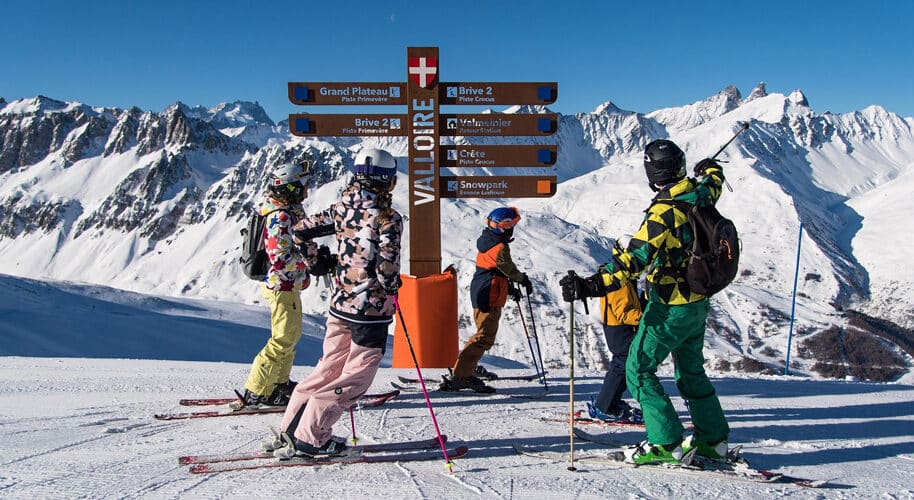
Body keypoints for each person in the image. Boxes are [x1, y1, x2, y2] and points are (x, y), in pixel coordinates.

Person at [560, 139, 730, 464]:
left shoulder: (664, 212)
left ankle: (665, 443)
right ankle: (713, 439)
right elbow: (714, 180)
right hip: (698, 303)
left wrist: (590, 285)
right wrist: (709, 167)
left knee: (638, 369)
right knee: (691, 371)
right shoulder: (700, 195)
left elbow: (632, 261)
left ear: (652, 173)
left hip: (670, 305)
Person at [272, 148, 403, 458]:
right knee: (357, 376)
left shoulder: (341, 209)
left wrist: (317, 262)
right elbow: (387, 268)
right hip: (370, 311)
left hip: (339, 304)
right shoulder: (388, 218)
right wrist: (391, 288)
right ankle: (312, 436)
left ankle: (291, 429)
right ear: (388, 181)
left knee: (327, 368)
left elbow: (301, 230)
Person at [235, 161, 321, 408]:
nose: (307, 190)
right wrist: (308, 262)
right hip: (281, 285)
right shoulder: (281, 216)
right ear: (291, 189)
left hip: (285, 285)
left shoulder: (286, 212)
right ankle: (258, 390)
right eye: (303, 185)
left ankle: (278, 384)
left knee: (290, 336)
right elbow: (280, 258)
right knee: (283, 338)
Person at [441, 206, 532, 394]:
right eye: (510, 224)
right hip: (488, 293)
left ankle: (464, 369)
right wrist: (521, 279)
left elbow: (495, 269)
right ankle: (461, 375)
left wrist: (509, 288)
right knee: (484, 336)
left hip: (484, 290)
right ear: (503, 227)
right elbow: (506, 267)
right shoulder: (499, 247)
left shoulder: (488, 242)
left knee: (482, 334)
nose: (512, 227)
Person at [586, 265, 643, 424]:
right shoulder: (619, 281)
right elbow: (623, 312)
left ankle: (609, 402)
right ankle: (605, 406)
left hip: (616, 326)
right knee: (621, 364)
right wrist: (645, 316)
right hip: (619, 328)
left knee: (622, 363)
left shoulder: (618, 278)